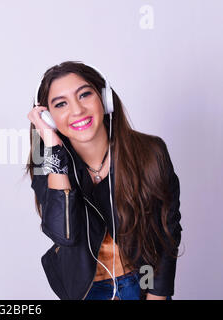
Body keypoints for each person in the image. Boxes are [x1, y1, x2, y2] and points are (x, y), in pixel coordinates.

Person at [26, 61, 183, 300]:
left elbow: (165, 233)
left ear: (104, 99)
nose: (77, 110)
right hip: (86, 291)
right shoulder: (47, 164)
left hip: (142, 279)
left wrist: (155, 295)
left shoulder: (150, 152)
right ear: (47, 117)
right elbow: (63, 234)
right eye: (61, 104)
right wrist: (52, 147)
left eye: (85, 94)